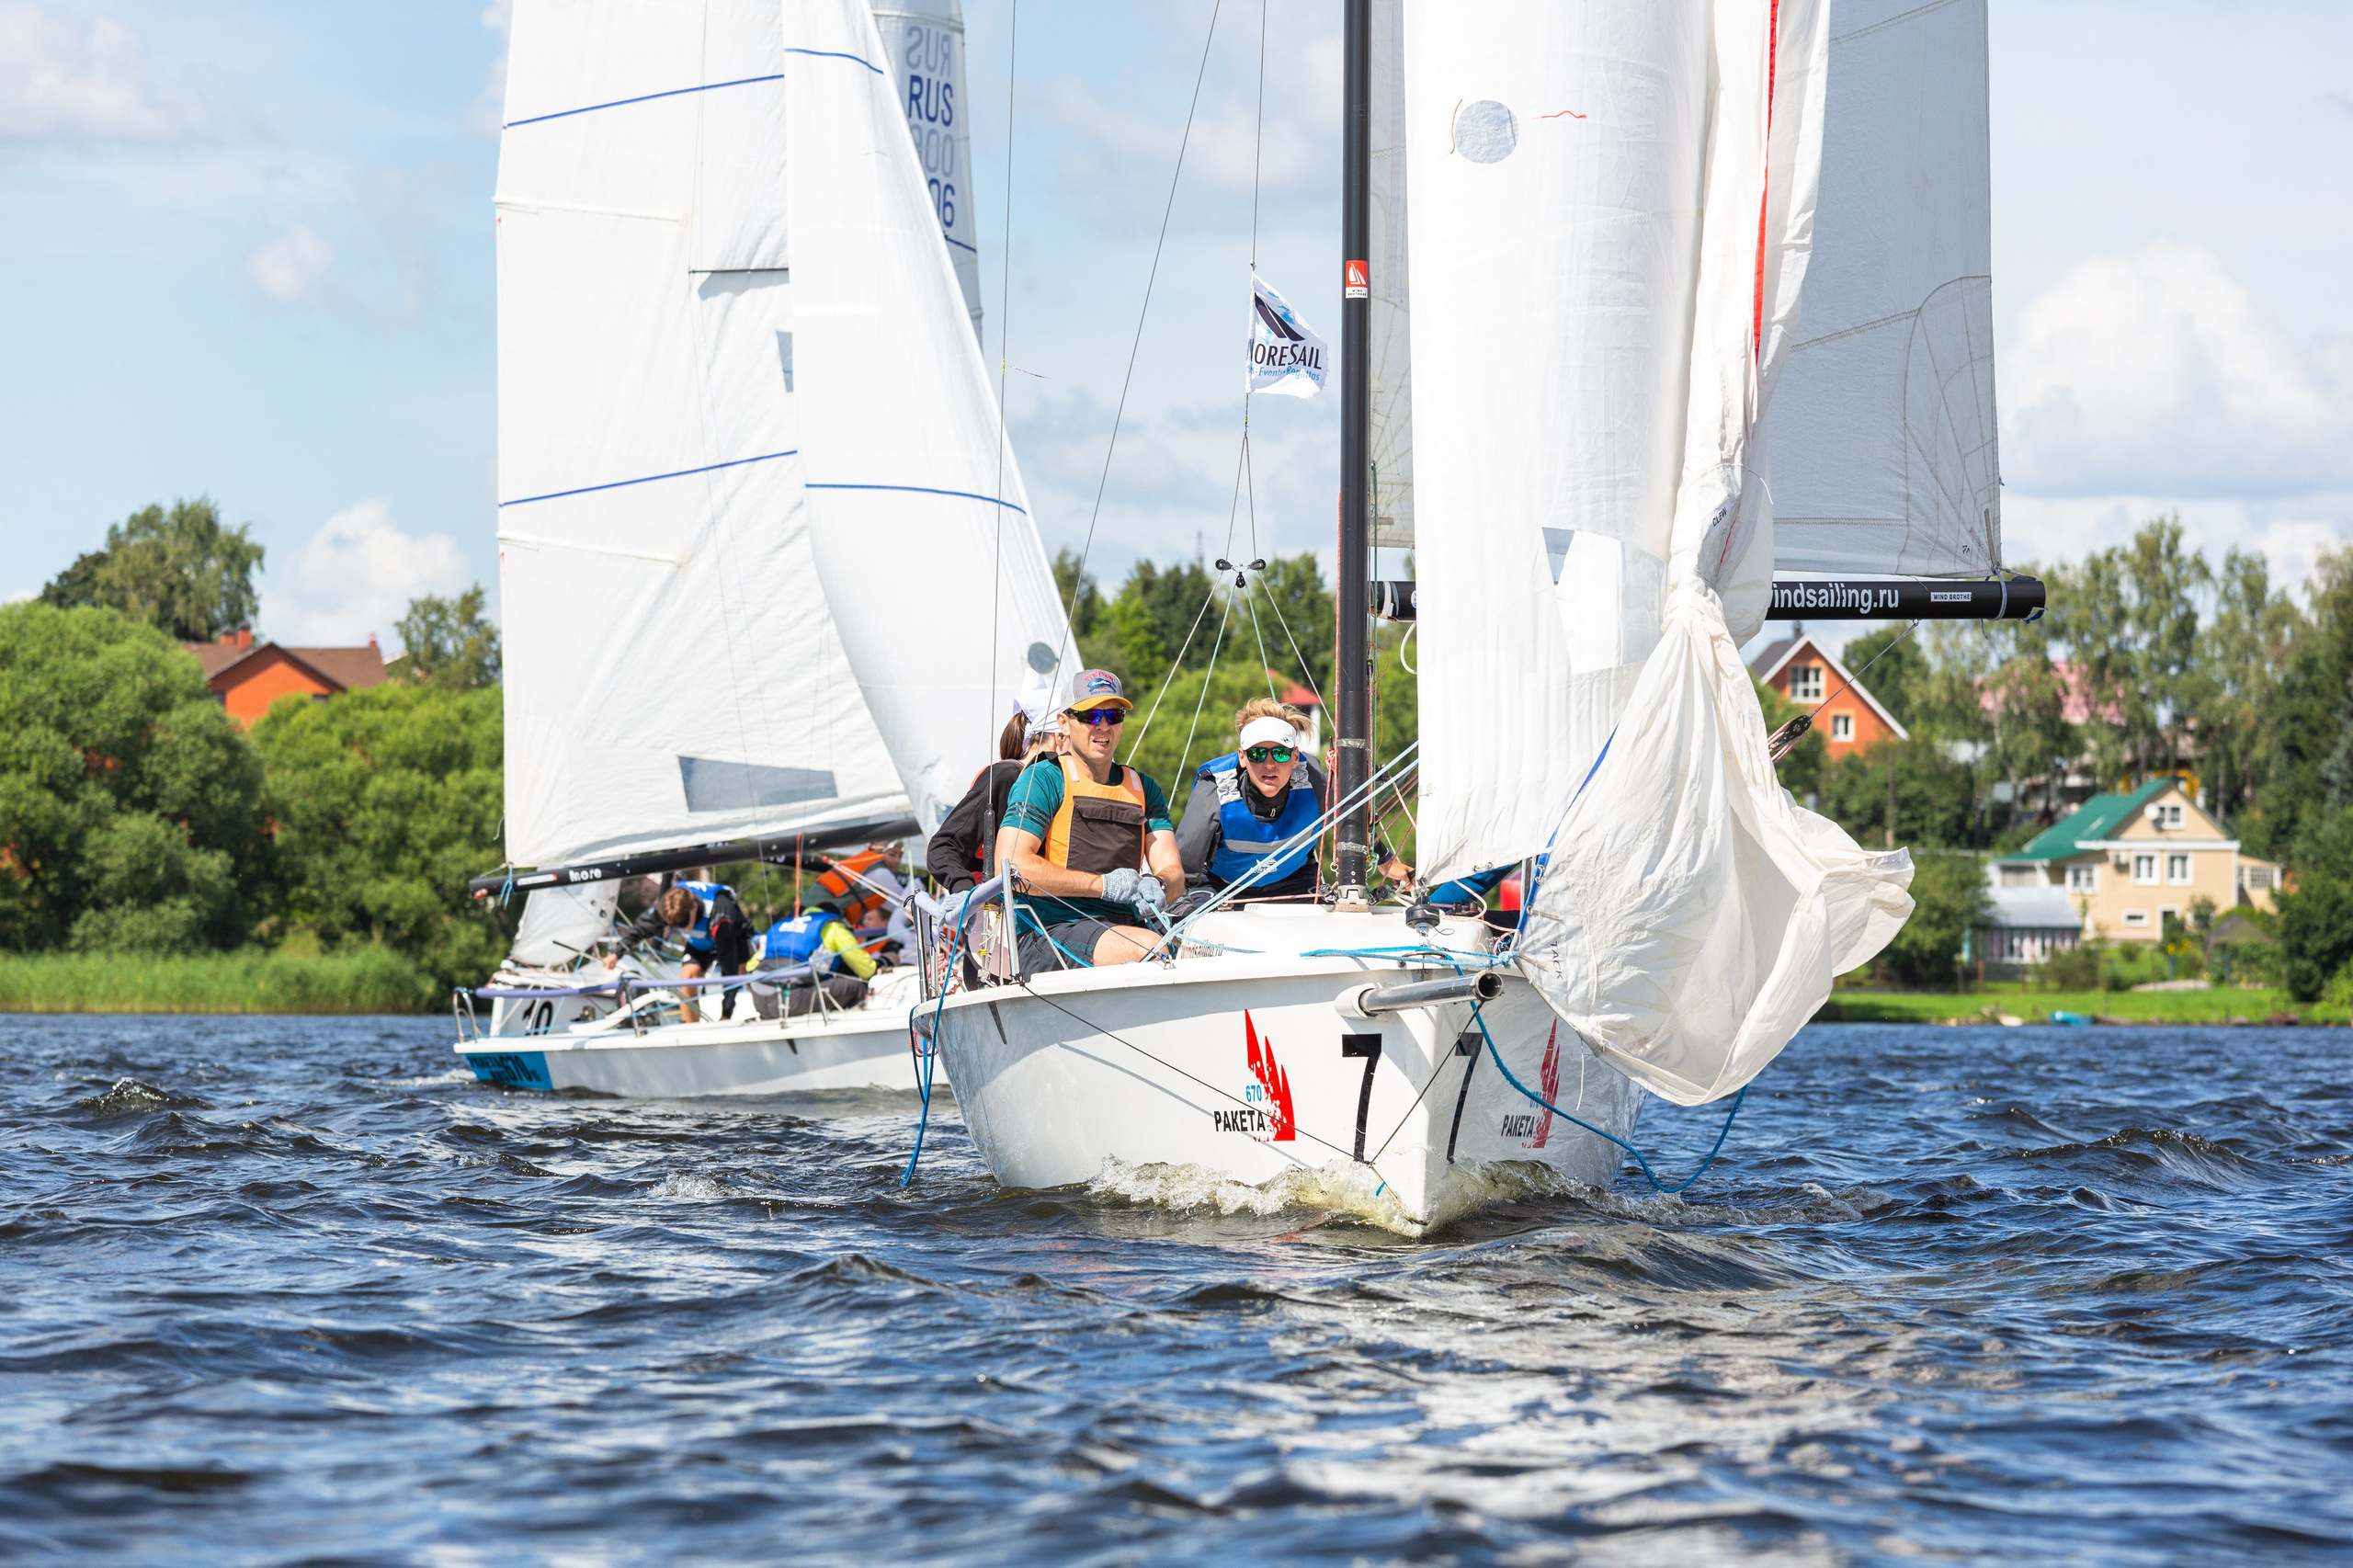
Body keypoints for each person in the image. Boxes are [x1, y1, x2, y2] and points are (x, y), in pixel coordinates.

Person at [993, 668, 1185, 970]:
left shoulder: (1144, 788)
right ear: (1063, 724)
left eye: (1114, 715)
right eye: (1091, 716)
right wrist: (1102, 886)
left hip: (1123, 927)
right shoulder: (1044, 779)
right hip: (1049, 931)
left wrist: (1159, 884)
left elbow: (1174, 872)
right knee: (1149, 948)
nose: (1104, 726)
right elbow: (1012, 866)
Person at [1177, 699, 1413, 902]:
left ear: (1295, 757)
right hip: (1223, 886)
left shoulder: (1313, 779)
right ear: (1242, 757)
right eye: (1257, 754)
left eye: (1280, 753)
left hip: (1293, 882)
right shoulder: (1215, 787)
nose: (1269, 764)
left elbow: (1350, 816)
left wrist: (1384, 861)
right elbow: (1184, 869)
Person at [926, 701, 1064, 893]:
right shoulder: (1006, 775)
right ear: (1060, 737)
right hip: (996, 909)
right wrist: (966, 893)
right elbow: (945, 845)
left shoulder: (1063, 782)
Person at [607, 876, 751, 1021]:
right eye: (673, 925)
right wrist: (616, 954)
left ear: (694, 907)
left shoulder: (720, 914)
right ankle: (691, 1029)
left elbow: (729, 972)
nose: (679, 928)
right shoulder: (670, 907)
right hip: (700, 944)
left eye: (682, 923)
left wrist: (726, 1014)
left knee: (741, 977)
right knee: (687, 978)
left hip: (733, 938)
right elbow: (641, 928)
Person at [752, 897, 878, 1017]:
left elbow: (750, 966)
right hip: (790, 1000)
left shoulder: (780, 926)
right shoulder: (832, 925)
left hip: (759, 1002)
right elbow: (866, 970)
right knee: (855, 986)